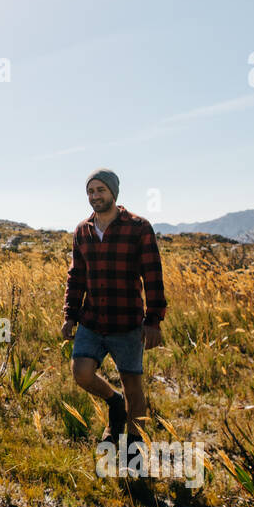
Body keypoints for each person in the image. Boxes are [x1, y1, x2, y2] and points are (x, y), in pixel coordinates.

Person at [60, 169, 167, 463]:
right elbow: (76, 276)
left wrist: (153, 319)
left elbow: (152, 274)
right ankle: (113, 402)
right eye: (91, 191)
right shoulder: (83, 230)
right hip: (92, 320)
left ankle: (134, 452)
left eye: (101, 190)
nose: (95, 196)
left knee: (133, 386)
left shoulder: (138, 227)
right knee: (81, 372)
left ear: (114, 193)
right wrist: (70, 314)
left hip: (126, 322)